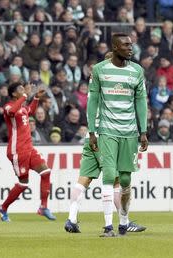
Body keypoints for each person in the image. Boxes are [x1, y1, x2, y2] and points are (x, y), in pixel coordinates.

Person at [65, 50, 146, 234]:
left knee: (83, 180)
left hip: (91, 135)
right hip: (107, 133)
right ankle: (123, 221)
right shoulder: (113, 85)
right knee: (116, 180)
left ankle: (71, 218)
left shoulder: (97, 80)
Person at [87, 33, 148, 237]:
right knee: (109, 174)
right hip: (107, 130)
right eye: (126, 45)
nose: (131, 48)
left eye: (131, 45)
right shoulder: (99, 70)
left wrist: (144, 131)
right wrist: (92, 131)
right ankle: (107, 226)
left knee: (124, 179)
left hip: (129, 132)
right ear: (114, 48)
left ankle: (123, 221)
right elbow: (92, 101)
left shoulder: (137, 71)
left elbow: (141, 101)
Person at [0, 82, 56, 222]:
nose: (24, 90)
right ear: (13, 94)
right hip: (17, 150)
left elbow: (30, 111)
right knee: (23, 183)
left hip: (29, 148)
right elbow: (11, 112)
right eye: (21, 89)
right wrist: (25, 96)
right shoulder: (9, 107)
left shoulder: (22, 108)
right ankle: (2, 208)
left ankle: (43, 207)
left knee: (46, 172)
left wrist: (35, 98)